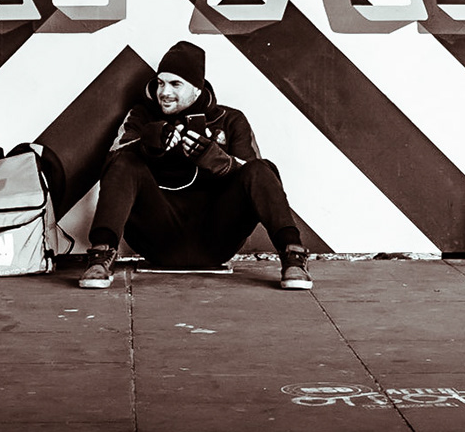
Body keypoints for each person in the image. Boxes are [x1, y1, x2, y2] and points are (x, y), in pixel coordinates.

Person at [79, 41, 312, 290]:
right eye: (160, 83)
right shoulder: (141, 115)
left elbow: (256, 175)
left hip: (216, 237)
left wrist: (221, 163)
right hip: (158, 236)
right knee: (123, 161)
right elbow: (114, 160)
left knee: (262, 169)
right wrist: (150, 140)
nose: (164, 92)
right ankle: (100, 257)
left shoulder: (231, 119)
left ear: (197, 90)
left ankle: (293, 258)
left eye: (175, 84)